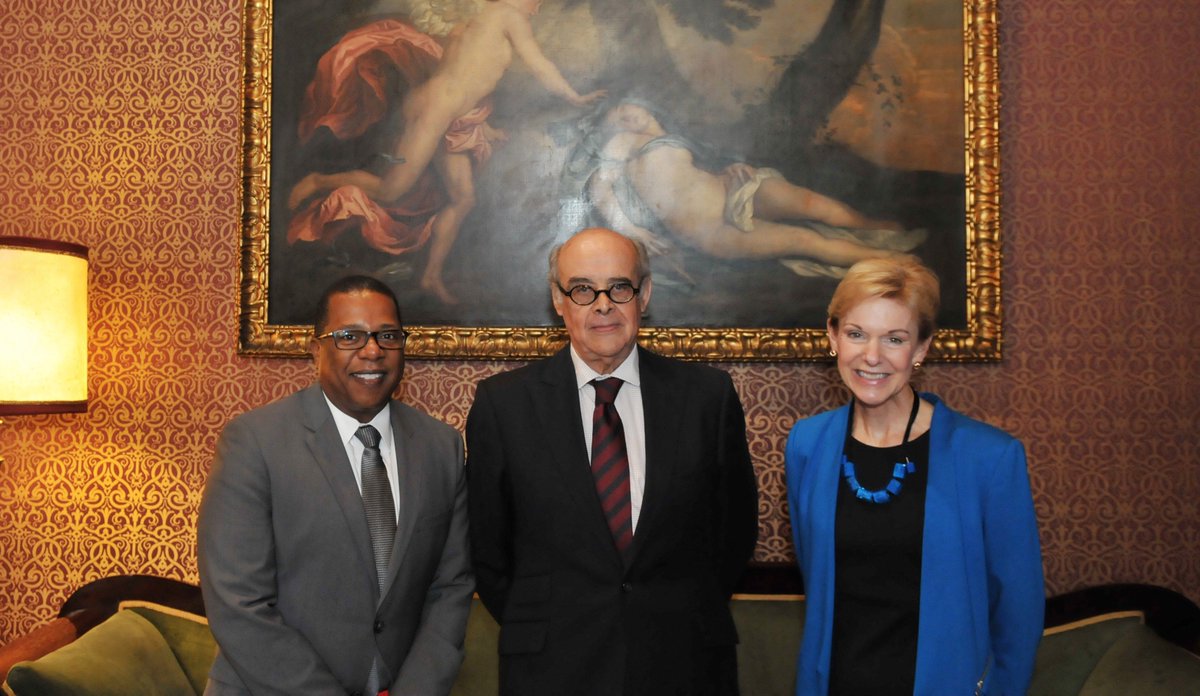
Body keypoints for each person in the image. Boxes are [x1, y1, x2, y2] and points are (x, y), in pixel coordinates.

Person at [465, 227, 759, 695]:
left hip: (684, 663)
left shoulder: (707, 397)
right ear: (558, 300)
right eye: (582, 289)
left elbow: (735, 532)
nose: (603, 305)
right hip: (553, 669)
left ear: (644, 294)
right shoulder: (504, 406)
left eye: (619, 287)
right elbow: (488, 549)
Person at [197, 275, 473, 695]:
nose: (372, 350)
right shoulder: (255, 443)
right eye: (349, 337)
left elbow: (450, 587)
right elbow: (239, 603)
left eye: (388, 335)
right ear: (316, 350)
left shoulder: (441, 447)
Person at [785, 256, 1044, 695]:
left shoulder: (989, 457)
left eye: (895, 339)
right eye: (856, 334)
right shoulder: (808, 445)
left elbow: (1019, 610)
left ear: (921, 349)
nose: (872, 356)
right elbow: (817, 578)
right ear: (833, 336)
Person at [288, 0, 605, 304]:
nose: (538, 8)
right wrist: (574, 97)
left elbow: (464, 78)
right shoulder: (508, 16)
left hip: (441, 110)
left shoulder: (477, 21)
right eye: (538, 1)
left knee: (463, 197)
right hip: (435, 110)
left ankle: (430, 276)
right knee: (391, 189)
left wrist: (483, 126)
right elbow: (539, 64)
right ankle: (318, 181)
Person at [575, 99, 924, 278]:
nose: (626, 117)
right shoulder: (624, 142)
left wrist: (729, 168)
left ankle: (875, 228)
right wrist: (628, 228)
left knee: (814, 205)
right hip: (710, 229)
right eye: (617, 117)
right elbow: (598, 184)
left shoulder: (679, 136)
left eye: (627, 108)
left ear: (642, 105)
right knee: (803, 240)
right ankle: (897, 262)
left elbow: (694, 170)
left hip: (731, 188)